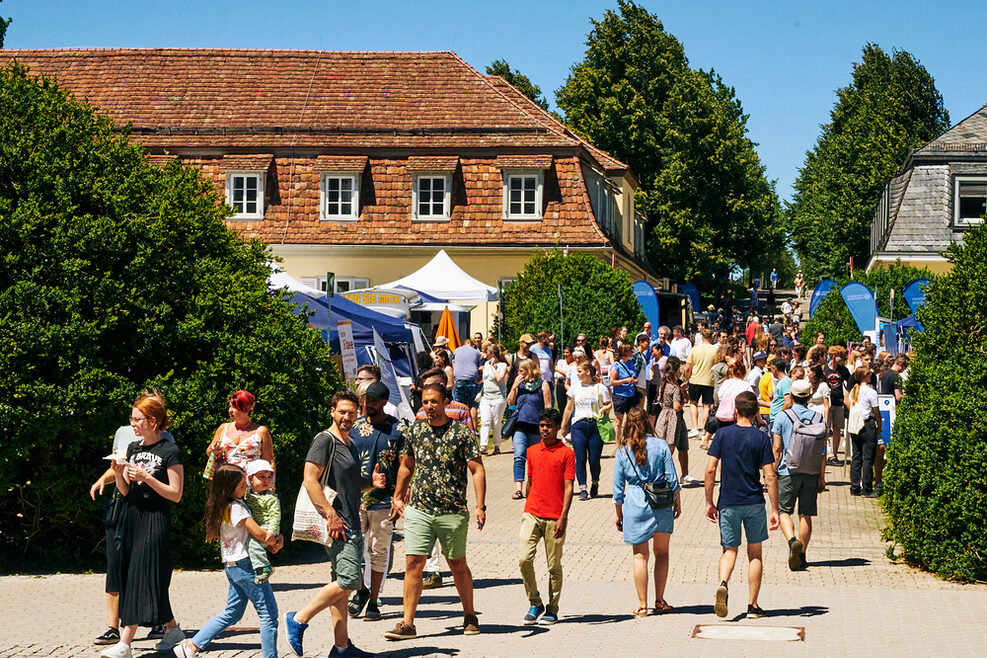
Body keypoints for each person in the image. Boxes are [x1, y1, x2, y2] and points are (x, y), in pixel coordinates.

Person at [284, 391, 383, 658]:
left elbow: (349, 485)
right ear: (332, 411)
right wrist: (330, 514)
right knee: (350, 581)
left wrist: (370, 483)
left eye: (352, 413)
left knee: (340, 585)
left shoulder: (349, 443)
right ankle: (298, 619)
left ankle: (341, 648)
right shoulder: (324, 440)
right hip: (338, 524)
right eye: (342, 412)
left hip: (350, 519)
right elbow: (309, 479)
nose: (347, 417)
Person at [385, 384, 487, 640]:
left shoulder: (461, 433)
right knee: (413, 563)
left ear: (445, 402)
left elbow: (477, 469)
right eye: (425, 402)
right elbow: (406, 466)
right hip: (419, 508)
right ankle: (407, 623)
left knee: (457, 564)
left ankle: (469, 615)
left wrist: (479, 505)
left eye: (433, 401)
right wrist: (397, 496)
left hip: (452, 510)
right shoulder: (415, 431)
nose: (428, 406)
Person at [101, 394, 185, 658]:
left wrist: (148, 478)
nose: (132, 424)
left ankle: (125, 643)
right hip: (132, 518)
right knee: (145, 578)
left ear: (152, 420)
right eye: (131, 418)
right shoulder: (134, 449)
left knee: (139, 574)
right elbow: (126, 491)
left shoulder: (169, 451)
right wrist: (118, 473)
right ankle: (173, 630)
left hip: (155, 519)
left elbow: (176, 494)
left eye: (137, 419)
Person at [172, 464, 281, 658]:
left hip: (232, 565)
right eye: (240, 485)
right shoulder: (238, 508)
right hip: (246, 566)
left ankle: (190, 648)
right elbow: (261, 535)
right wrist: (276, 539)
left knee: (232, 613)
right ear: (228, 487)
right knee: (268, 616)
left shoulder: (222, 505)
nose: (244, 488)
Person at [704, 391, 779, 619]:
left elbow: (709, 469)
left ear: (735, 411)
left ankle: (724, 583)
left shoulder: (722, 435)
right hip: (754, 501)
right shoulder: (761, 438)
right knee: (755, 553)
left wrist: (709, 501)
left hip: (728, 501)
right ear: (756, 413)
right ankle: (752, 606)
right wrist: (775, 509)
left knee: (729, 550)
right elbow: (770, 476)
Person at [613, 407, 681, 617]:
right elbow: (673, 479)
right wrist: (677, 503)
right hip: (660, 503)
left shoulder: (623, 451)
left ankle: (642, 605)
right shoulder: (661, 446)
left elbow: (617, 489)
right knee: (662, 553)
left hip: (634, 503)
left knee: (640, 556)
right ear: (648, 422)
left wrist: (619, 513)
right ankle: (659, 600)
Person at [348, 382, 405, 622]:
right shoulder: (355, 427)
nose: (367, 404)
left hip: (385, 501)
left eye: (372, 400)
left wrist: (400, 495)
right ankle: (361, 589)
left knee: (378, 550)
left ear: (383, 402)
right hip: (356, 498)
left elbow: (406, 464)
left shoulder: (398, 429)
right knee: (354, 548)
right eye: (365, 399)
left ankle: (373, 602)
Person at [519, 409, 575, 625]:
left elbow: (569, 487)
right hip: (532, 513)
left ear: (557, 427)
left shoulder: (567, 453)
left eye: (549, 426)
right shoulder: (532, 451)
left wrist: (563, 517)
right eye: (542, 425)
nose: (544, 429)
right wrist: (527, 507)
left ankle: (552, 608)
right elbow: (530, 481)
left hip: (555, 517)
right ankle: (535, 602)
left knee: (553, 566)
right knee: (524, 559)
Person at [771, 378, 827, 572]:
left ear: (792, 396)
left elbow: (777, 449)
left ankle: (792, 541)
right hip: (811, 471)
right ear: (809, 396)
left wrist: (772, 472)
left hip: (788, 470)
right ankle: (802, 556)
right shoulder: (819, 418)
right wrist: (821, 476)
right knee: (806, 514)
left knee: (784, 511)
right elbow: (822, 450)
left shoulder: (782, 417)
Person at [560, 361, 613, 501]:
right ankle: (582, 488)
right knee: (580, 458)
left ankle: (595, 483)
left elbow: (609, 404)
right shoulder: (575, 388)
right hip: (579, 425)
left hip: (595, 425)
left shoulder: (600, 388)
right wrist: (563, 425)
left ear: (588, 372)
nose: (577, 374)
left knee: (594, 459)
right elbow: (569, 407)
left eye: (579, 371)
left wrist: (604, 409)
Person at [507, 358, 552, 499]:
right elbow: (510, 403)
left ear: (529, 370)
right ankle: (519, 489)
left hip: (536, 427)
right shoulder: (519, 385)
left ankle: (537, 487)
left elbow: (548, 406)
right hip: (519, 426)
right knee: (519, 456)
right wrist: (514, 387)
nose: (518, 373)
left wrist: (547, 426)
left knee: (537, 459)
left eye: (521, 371)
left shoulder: (543, 385)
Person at [205, 390, 274, 476]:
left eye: (234, 407)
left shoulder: (261, 431)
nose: (230, 410)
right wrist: (213, 450)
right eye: (229, 406)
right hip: (225, 480)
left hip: (249, 482)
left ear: (247, 408)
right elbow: (209, 452)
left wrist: (270, 485)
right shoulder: (223, 428)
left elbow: (268, 462)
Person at [654, 357, 691, 483]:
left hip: (663, 416)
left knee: (664, 447)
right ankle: (668, 474)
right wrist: (681, 405)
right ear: (676, 370)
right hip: (673, 419)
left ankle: (660, 473)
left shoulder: (663, 383)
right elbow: (676, 406)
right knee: (671, 447)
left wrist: (683, 391)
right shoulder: (674, 387)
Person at [243, 460, 281, 584]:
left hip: (267, 526)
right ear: (250, 478)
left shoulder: (271, 498)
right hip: (255, 526)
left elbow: (275, 517)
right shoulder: (246, 495)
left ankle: (265, 567)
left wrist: (272, 531)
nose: (266, 480)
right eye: (261, 476)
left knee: (253, 543)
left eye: (269, 477)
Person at [848, 368, 882, 498]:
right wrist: (879, 426)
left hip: (856, 424)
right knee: (868, 457)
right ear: (865, 376)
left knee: (856, 456)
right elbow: (876, 412)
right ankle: (867, 488)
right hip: (867, 424)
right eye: (868, 373)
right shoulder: (871, 392)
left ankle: (854, 487)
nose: (870, 375)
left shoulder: (853, 391)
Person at [683, 329, 717, 444]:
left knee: (693, 403)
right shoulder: (715, 350)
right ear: (711, 337)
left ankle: (694, 428)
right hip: (709, 381)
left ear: (702, 337)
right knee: (707, 406)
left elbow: (687, 367)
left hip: (695, 380)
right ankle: (704, 431)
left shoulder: (695, 349)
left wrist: (686, 379)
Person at [478, 343, 509, 455]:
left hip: (498, 397)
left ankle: (497, 445)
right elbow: (486, 378)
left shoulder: (503, 365)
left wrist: (492, 367)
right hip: (486, 396)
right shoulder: (486, 364)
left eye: (487, 352)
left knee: (496, 422)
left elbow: (500, 378)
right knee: (485, 421)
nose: (486, 354)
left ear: (492, 354)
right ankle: (483, 445)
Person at [825, 345, 853, 465]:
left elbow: (850, 382)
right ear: (833, 356)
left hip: (839, 402)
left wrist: (847, 396)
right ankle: (827, 454)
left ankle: (834, 454)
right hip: (826, 402)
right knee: (825, 429)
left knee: (837, 429)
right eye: (840, 356)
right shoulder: (824, 369)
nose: (841, 359)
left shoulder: (843, 370)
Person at [609, 343, 640, 446]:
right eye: (630, 351)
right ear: (625, 352)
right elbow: (612, 382)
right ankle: (618, 442)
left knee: (632, 420)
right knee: (619, 421)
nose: (632, 352)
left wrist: (634, 381)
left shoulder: (631, 363)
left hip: (631, 394)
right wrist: (625, 380)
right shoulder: (616, 366)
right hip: (620, 396)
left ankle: (630, 440)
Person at [452, 338, 483, 425]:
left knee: (458, 405)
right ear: (472, 345)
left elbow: (454, 364)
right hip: (472, 379)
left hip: (459, 380)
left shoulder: (457, 350)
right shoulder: (476, 352)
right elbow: (478, 366)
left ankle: (458, 427)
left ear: (463, 344)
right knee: (473, 405)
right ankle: (473, 430)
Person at [529, 332, 556, 403]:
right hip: (538, 379)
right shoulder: (533, 348)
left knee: (550, 401)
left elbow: (551, 364)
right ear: (543, 339)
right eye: (548, 338)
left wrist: (553, 377)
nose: (550, 340)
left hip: (548, 379)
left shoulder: (548, 349)